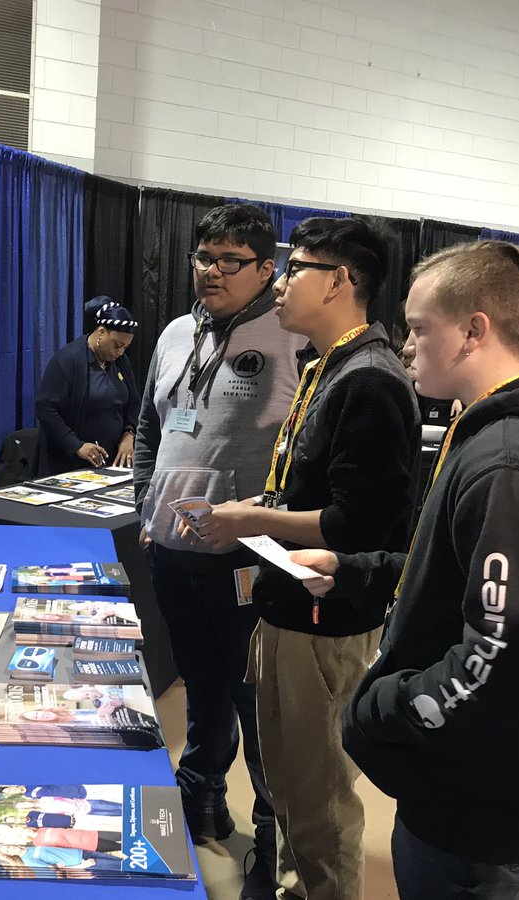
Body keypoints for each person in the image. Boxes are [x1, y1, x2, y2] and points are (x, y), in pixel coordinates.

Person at [293, 241, 519, 898]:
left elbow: (506, 661)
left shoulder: (514, 462)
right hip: (471, 774)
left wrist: (383, 709)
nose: (406, 345)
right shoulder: (495, 437)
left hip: (480, 794)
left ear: (473, 330)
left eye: (418, 328)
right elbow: (453, 572)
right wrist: (353, 569)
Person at [184, 217, 419, 900]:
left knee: (318, 801)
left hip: (325, 620)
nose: (280, 285)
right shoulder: (329, 366)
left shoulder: (370, 380)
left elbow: (361, 524)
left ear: (341, 281)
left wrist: (250, 518)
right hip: (286, 604)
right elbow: (305, 486)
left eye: (295, 269)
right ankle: (292, 886)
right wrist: (257, 508)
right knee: (286, 786)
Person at [134, 203, 304, 898]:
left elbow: (304, 456)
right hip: (172, 553)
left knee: (255, 698)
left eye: (229, 261)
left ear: (268, 269)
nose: (211, 271)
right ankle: (201, 801)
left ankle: (273, 831)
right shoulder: (177, 332)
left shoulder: (294, 338)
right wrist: (146, 502)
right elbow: (150, 424)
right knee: (202, 689)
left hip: (246, 562)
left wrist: (269, 527)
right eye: (203, 257)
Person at [35, 297, 141, 476]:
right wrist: (76, 445)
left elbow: (134, 403)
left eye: (126, 347)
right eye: (117, 345)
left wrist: (129, 434)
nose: (121, 352)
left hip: (111, 463)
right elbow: (46, 408)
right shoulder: (67, 361)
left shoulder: (121, 362)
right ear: (101, 332)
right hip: (70, 464)